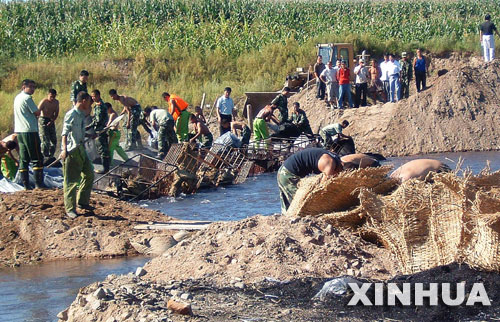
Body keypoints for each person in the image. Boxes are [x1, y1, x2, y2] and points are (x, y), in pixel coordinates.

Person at [60, 91, 95, 219]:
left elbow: (78, 131)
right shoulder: (71, 114)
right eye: (89, 101)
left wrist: (89, 135)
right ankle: (70, 209)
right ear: (84, 101)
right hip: (72, 150)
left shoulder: (81, 115)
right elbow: (65, 133)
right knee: (71, 181)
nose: (90, 104)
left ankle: (83, 202)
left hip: (81, 148)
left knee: (89, 174)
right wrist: (64, 150)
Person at [277, 147, 344, 214]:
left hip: (285, 169)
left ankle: (285, 218)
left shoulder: (334, 157)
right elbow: (322, 188)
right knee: (298, 203)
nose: (337, 176)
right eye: (339, 173)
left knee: (288, 204)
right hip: (288, 174)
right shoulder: (329, 164)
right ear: (339, 169)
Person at [14, 79, 44, 189]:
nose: (32, 89)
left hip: (20, 131)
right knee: (37, 157)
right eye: (30, 87)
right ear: (24, 87)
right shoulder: (27, 98)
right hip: (30, 131)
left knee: (24, 158)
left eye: (33, 87)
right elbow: (37, 112)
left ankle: (26, 185)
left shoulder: (17, 98)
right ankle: (38, 185)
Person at [88, 90, 110, 174]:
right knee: (102, 149)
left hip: (100, 131)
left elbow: (98, 120)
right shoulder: (97, 105)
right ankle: (106, 168)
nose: (93, 98)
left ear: (98, 96)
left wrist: (90, 126)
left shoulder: (100, 106)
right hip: (99, 130)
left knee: (102, 149)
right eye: (92, 96)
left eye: (94, 96)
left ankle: (105, 169)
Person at [37, 88, 59, 162]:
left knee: (53, 140)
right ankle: (44, 156)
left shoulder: (56, 102)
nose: (52, 98)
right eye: (51, 96)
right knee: (45, 140)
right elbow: (37, 112)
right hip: (43, 120)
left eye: (54, 96)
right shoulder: (44, 101)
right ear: (48, 95)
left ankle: (51, 156)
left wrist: (52, 121)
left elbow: (56, 113)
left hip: (51, 120)